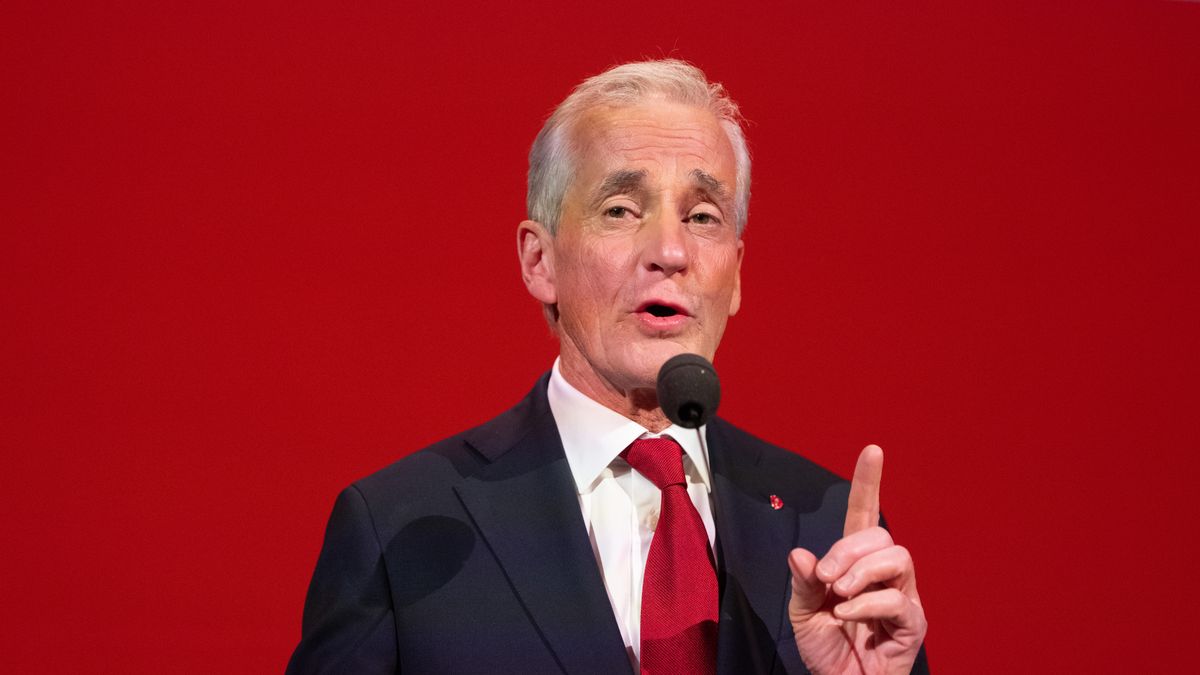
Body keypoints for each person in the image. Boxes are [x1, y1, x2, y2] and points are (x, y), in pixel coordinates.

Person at [287, 59, 928, 674]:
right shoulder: (402, 528)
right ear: (540, 262)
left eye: (702, 217)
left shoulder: (830, 529)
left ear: (734, 274)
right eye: (621, 210)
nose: (671, 251)